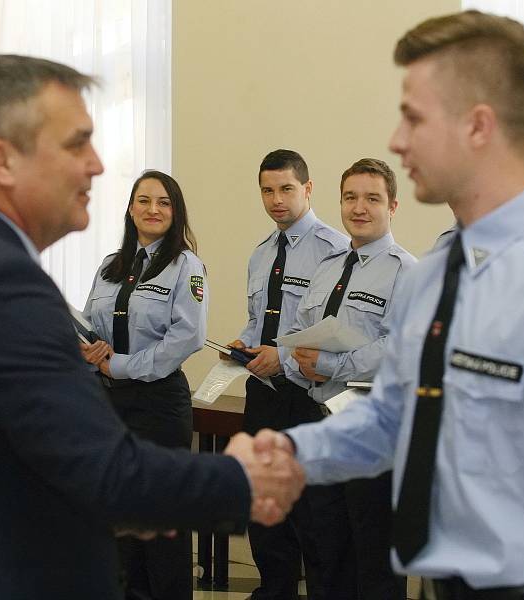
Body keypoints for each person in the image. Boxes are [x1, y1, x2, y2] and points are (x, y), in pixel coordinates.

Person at [0, 54, 305, 600]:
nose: (95, 165)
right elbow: (107, 477)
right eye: (76, 144)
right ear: (1, 160)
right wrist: (238, 479)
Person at [254, 10, 524, 600]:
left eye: (414, 117)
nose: (397, 140)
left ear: (478, 126)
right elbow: (391, 418)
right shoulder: (432, 277)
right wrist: (278, 455)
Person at [283, 157, 415, 599]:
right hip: (320, 422)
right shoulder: (328, 265)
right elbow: (301, 327)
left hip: (371, 431)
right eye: (350, 198)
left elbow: (396, 351)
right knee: (324, 549)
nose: (360, 208)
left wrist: (329, 365)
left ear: (392, 206)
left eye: (372, 198)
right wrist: (295, 358)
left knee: (372, 557)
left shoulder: (407, 272)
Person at [223, 149, 348, 599]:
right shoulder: (260, 255)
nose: (276, 200)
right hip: (264, 395)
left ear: (308, 189)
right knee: (264, 506)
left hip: (307, 398)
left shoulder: (334, 251)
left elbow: (333, 334)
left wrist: (286, 358)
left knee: (314, 515)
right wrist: (242, 346)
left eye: (286, 189)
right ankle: (274, 591)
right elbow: (259, 322)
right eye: (267, 190)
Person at [80, 170, 205, 599]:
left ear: (176, 212)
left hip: (158, 405)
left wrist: (122, 366)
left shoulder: (186, 266)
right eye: (144, 200)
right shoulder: (109, 266)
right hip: (108, 407)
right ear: (131, 209)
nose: (153, 209)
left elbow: (186, 337)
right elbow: (90, 327)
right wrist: (88, 351)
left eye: (164, 202)